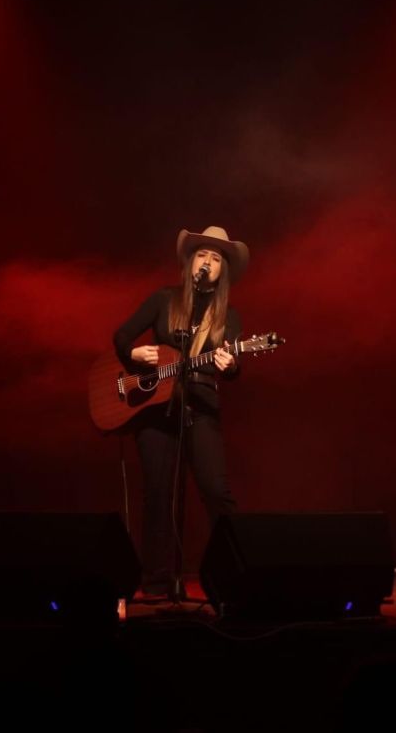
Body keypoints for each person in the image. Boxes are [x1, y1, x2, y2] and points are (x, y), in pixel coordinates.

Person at [112, 226, 249, 598]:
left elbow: (232, 367)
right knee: (158, 495)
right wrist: (134, 354)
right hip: (156, 411)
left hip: (200, 407)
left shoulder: (228, 316)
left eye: (216, 258)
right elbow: (122, 336)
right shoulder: (163, 299)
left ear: (223, 271)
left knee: (216, 492)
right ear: (190, 263)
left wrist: (230, 365)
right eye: (202, 254)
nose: (207, 262)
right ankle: (158, 582)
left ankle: (236, 578)